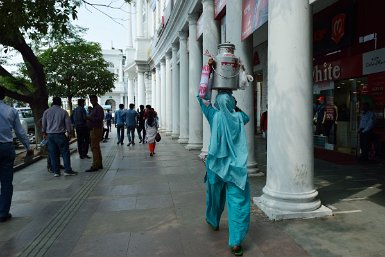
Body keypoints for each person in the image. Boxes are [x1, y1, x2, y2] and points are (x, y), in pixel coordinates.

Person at [197, 91, 250, 256]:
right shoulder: (240, 117)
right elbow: (246, 117)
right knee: (238, 205)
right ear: (232, 104)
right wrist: (234, 106)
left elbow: (201, 97)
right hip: (236, 169)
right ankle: (236, 243)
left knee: (214, 197)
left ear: (218, 104)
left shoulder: (214, 115)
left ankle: (213, 221)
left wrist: (209, 71)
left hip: (216, 167)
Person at [0, 88, 33, 222]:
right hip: (6, 148)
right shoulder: (10, 111)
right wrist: (28, 146)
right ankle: (3, 212)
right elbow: (19, 131)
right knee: (7, 182)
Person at [42, 97, 77, 177]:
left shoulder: (46, 112)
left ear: (53, 102)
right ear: (60, 103)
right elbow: (68, 125)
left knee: (53, 154)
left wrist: (44, 132)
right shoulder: (63, 112)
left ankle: (56, 172)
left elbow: (44, 124)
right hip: (60, 135)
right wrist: (69, 133)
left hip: (50, 135)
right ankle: (67, 170)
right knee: (65, 153)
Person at [85, 95, 104, 172]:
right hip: (93, 129)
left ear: (96, 100)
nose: (92, 102)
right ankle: (98, 163)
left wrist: (89, 118)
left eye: (93, 100)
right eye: (91, 100)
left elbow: (99, 119)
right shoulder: (94, 108)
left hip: (96, 129)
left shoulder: (98, 108)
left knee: (94, 147)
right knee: (96, 147)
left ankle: (95, 165)